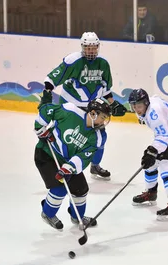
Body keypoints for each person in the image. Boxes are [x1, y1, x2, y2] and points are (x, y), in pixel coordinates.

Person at [39, 31, 128, 181]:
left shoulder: (103, 64)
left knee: (100, 137)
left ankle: (95, 165)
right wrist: (47, 91)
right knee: (66, 133)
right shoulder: (73, 61)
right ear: (82, 47)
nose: (91, 50)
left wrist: (112, 103)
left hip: (94, 108)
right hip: (71, 106)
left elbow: (106, 89)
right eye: (88, 47)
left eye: (93, 47)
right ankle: (57, 161)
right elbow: (55, 76)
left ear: (98, 47)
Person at [34, 98, 112, 230]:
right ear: (93, 114)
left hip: (68, 162)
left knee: (81, 189)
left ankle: (77, 217)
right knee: (60, 188)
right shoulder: (70, 111)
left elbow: (84, 156)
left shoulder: (97, 137)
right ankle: (48, 214)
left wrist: (69, 168)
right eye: (102, 117)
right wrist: (40, 128)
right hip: (47, 153)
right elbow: (47, 110)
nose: (103, 122)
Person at [128, 88, 168, 221]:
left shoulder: (154, 114)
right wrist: (152, 153)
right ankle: (151, 193)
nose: (136, 110)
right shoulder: (149, 105)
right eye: (133, 107)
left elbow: (163, 135)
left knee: (166, 165)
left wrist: (153, 151)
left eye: (138, 106)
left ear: (146, 103)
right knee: (149, 163)